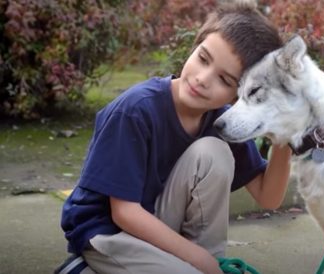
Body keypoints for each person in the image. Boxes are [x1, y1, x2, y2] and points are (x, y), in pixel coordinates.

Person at [56, 2, 290, 274]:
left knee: (215, 151)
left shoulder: (221, 121)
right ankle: (81, 268)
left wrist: (286, 134)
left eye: (224, 80)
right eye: (203, 58)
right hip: (106, 231)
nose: (203, 79)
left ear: (240, 96)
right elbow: (124, 213)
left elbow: (268, 197)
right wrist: (197, 259)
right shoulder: (135, 110)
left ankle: (201, 264)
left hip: (158, 224)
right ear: (195, 45)